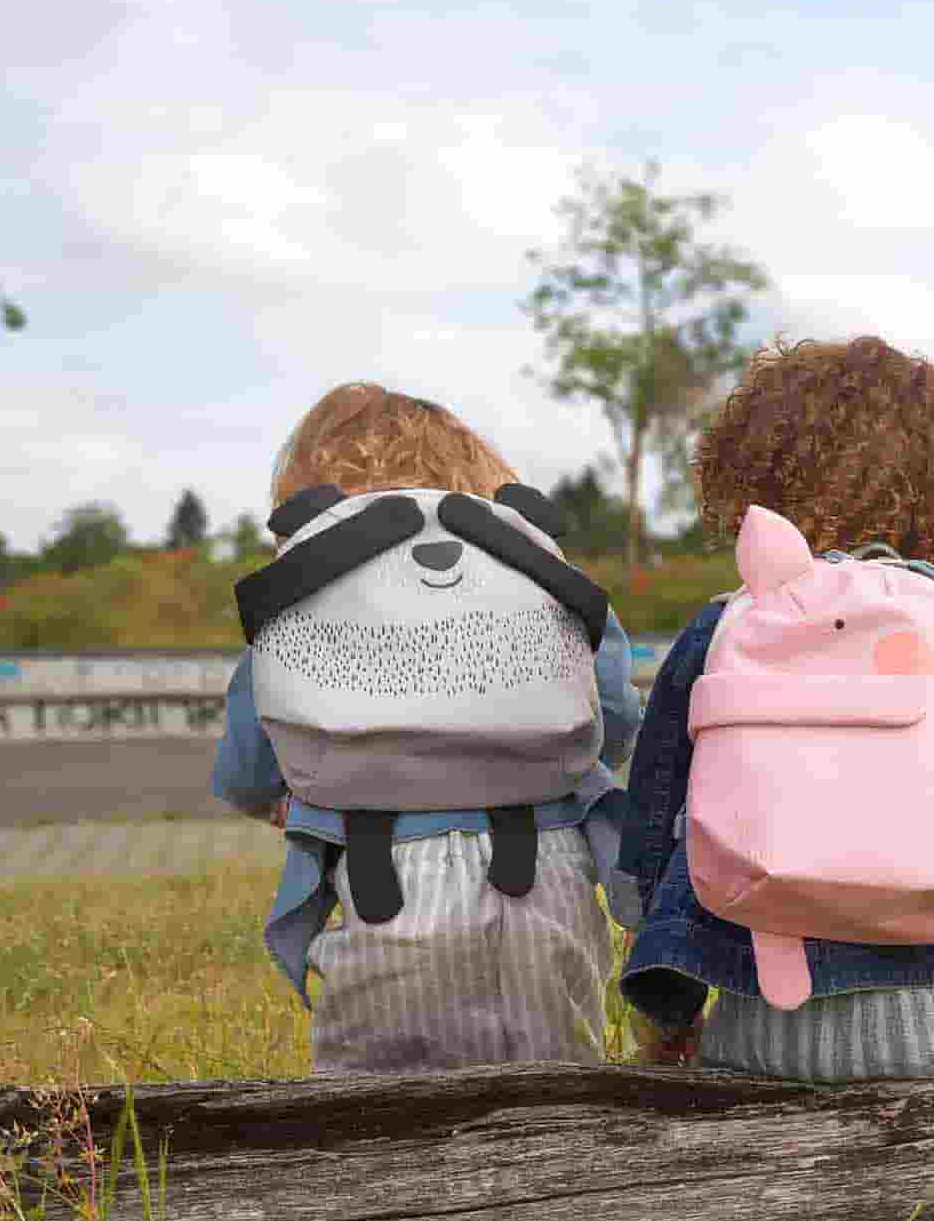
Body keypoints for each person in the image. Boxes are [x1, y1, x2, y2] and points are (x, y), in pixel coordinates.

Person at [617, 336, 934, 1080]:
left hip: (760, 1028)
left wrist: (667, 996)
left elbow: (651, 828)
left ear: (756, 478)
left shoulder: (732, 625)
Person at [210, 382, 638, 1073]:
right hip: (547, 875)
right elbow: (613, 722)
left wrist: (290, 800)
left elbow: (248, 768)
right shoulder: (541, 575)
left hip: (388, 884)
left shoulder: (303, 595)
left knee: (372, 1103)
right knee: (558, 1085)